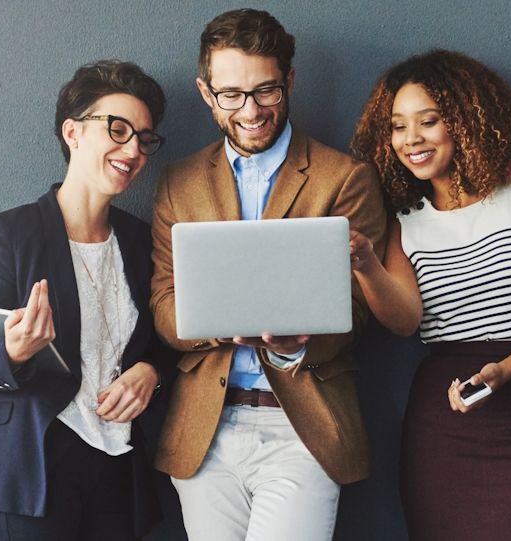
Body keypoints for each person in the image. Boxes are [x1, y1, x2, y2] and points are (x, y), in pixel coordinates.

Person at [347, 50, 511, 540]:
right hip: (445, 424)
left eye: (428, 121)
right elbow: (405, 321)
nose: (411, 140)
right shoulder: (405, 223)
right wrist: (365, 264)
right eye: (398, 127)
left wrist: (504, 371)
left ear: (468, 120)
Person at [148, 9, 386, 541]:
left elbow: (362, 308)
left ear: (291, 82)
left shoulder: (345, 178)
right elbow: (163, 303)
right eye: (231, 94)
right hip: (205, 430)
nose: (250, 110)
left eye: (266, 91)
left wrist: (294, 346)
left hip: (303, 425)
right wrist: (221, 325)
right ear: (206, 94)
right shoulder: (177, 182)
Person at [0, 59, 172, 541]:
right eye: (118, 129)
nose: (132, 149)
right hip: (28, 472)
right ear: (73, 132)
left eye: (144, 138)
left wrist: (150, 373)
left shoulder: (140, 241)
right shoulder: (9, 234)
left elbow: (163, 340)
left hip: (117, 473)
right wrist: (13, 351)